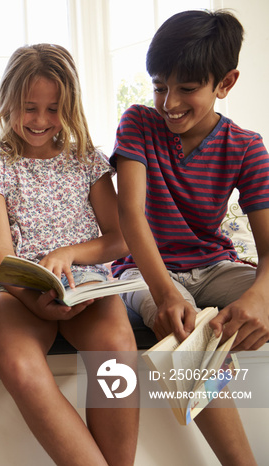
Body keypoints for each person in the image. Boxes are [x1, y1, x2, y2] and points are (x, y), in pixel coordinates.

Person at [0, 44, 139, 466]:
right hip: (17, 291)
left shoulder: (86, 162)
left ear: (70, 106)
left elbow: (120, 239)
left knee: (118, 350)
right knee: (20, 365)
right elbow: (1, 258)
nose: (40, 120)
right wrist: (32, 299)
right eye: (29, 107)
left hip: (85, 286)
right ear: (6, 103)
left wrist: (68, 254)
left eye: (53, 108)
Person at [112, 10, 268, 465]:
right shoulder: (138, 123)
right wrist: (164, 294)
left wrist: (259, 298)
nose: (168, 102)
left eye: (187, 88)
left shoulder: (245, 146)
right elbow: (130, 215)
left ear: (226, 83)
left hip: (216, 266)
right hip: (145, 271)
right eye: (160, 86)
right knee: (188, 329)